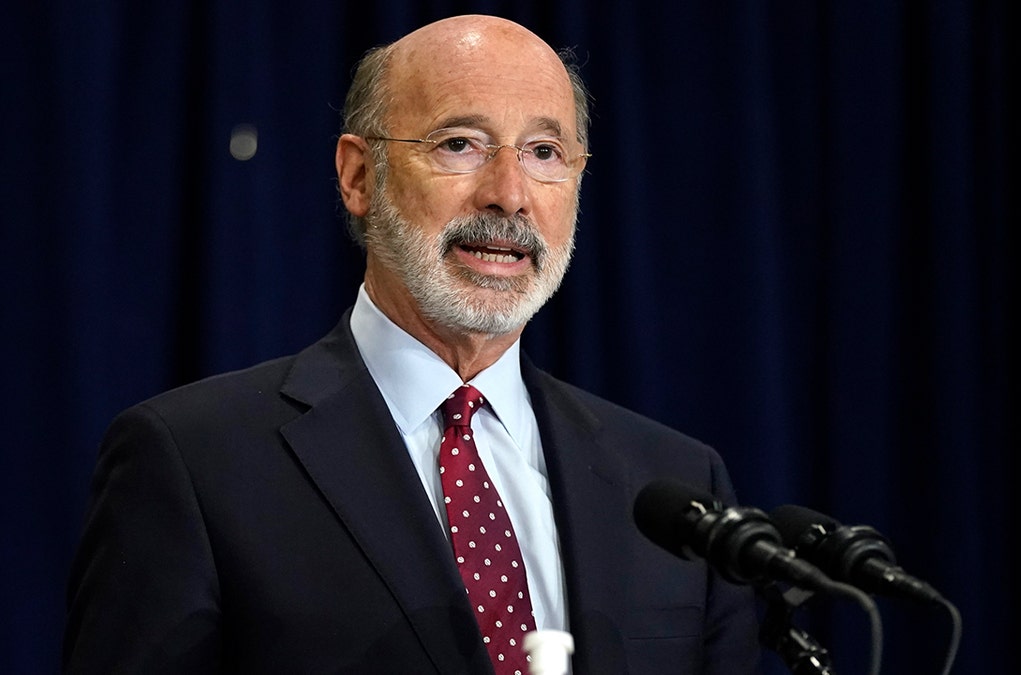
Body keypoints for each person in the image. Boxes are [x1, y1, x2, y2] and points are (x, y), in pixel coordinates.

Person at [63, 14, 759, 674]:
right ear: (359, 176)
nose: (509, 195)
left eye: (544, 152)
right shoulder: (195, 461)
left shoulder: (679, 488)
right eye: (460, 143)